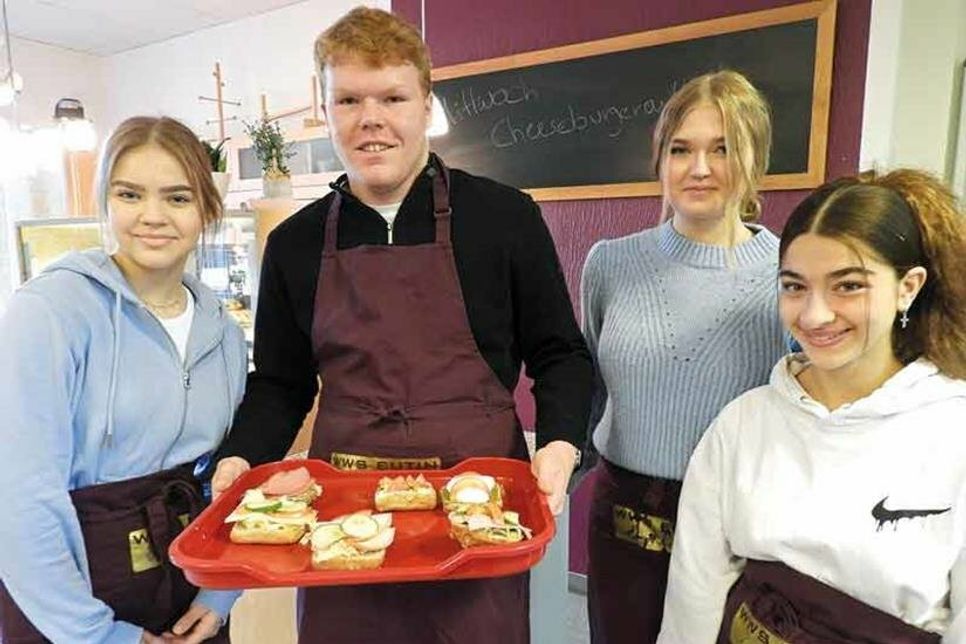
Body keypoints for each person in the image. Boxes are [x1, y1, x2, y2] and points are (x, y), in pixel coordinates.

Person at [208, 7, 592, 644]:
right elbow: (279, 382)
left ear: (425, 104)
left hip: (477, 512)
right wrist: (240, 459)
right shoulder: (296, 244)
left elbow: (560, 355)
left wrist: (558, 444)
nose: (371, 120)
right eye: (349, 99)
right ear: (327, 109)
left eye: (392, 97)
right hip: (342, 518)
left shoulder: (504, 218)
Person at [658, 169, 966, 643]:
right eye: (795, 286)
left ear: (908, 286)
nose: (815, 315)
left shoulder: (953, 429)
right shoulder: (745, 422)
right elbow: (694, 593)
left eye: (848, 286)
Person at [0, 116, 247, 644]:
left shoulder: (221, 331)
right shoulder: (49, 312)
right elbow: (19, 496)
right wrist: (98, 635)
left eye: (178, 198)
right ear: (106, 201)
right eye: (130, 194)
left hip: (188, 586)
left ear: (206, 208)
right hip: (71, 599)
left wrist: (221, 591)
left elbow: (226, 482)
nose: (152, 217)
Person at [580, 70, 787, 643]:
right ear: (660, 159)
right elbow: (592, 386)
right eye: (682, 149)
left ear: (754, 160)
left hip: (734, 524)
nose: (699, 168)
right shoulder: (610, 266)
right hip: (622, 514)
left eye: (722, 149)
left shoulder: (787, 277)